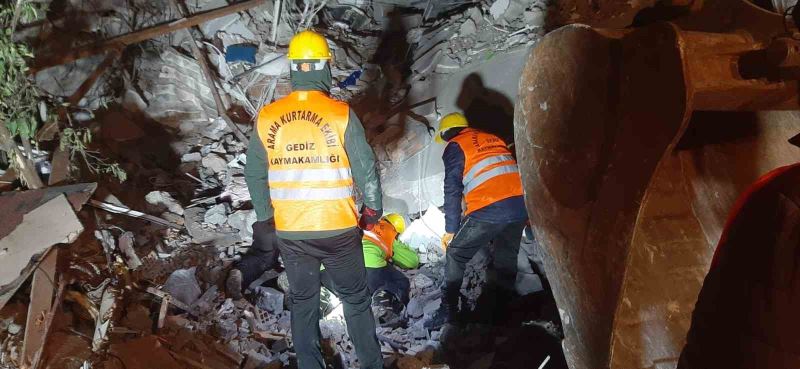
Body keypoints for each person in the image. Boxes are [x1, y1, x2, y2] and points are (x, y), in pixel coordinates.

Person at [242, 30, 384, 369]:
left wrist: (266, 217)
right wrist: (372, 212)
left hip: (292, 234)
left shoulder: (267, 118)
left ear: (293, 69)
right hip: (338, 229)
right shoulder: (340, 114)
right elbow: (367, 169)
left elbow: (253, 174)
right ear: (324, 68)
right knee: (355, 301)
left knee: (304, 301)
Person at [426, 112, 528, 329]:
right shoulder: (492, 137)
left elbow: (452, 188)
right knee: (506, 256)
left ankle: (449, 310)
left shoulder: (456, 145)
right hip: (520, 205)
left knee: (455, 254)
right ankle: (501, 311)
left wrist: (451, 229)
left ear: (446, 134)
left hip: (490, 207)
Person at [322, 213, 419, 328]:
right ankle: (381, 306)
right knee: (399, 281)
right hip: (366, 265)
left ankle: (322, 301)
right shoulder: (387, 229)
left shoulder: (361, 222)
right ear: (396, 230)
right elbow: (412, 261)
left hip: (328, 269)